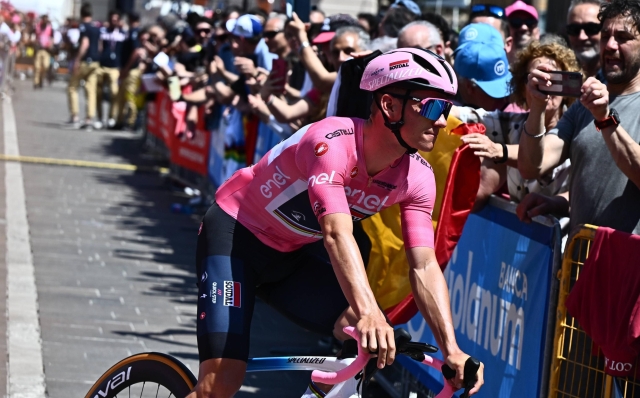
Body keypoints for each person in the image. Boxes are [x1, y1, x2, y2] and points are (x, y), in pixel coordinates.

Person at [187, 47, 484, 398]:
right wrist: (369, 310)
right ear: (389, 106)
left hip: (291, 257)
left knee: (369, 339)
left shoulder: (418, 176)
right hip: (235, 240)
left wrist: (451, 348)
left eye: (446, 108)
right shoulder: (331, 143)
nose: (440, 120)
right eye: (432, 107)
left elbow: (423, 264)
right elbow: (335, 233)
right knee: (219, 384)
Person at [519, 0, 640, 234]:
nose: (611, 46)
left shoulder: (597, 108)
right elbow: (531, 166)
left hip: (630, 266)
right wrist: (537, 107)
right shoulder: (584, 104)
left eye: (623, 38)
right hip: (579, 264)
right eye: (605, 36)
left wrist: (605, 119)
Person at [454, 40, 580, 209]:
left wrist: (499, 150)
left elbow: (587, 192)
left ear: (566, 87)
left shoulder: (580, 130)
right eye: (537, 79)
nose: (545, 85)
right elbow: (465, 116)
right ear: (522, 88)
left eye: (554, 78)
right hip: (520, 232)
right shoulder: (509, 125)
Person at [67, 3, 102, 130]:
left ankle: (75, 116)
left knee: (72, 87)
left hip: (84, 61)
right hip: (95, 62)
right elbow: (99, 46)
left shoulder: (83, 27)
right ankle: (89, 119)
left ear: (81, 14)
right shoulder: (97, 28)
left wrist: (77, 60)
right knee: (91, 90)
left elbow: (84, 43)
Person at [98, 10, 126, 129]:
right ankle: (99, 118)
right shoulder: (103, 32)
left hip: (115, 67)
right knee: (98, 93)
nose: (114, 21)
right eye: (112, 19)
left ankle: (111, 117)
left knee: (114, 93)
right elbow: (99, 46)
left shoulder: (123, 34)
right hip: (102, 65)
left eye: (116, 19)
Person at [566, 0, 604, 79]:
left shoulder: (622, 79)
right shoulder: (559, 73)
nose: (582, 37)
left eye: (591, 28)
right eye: (574, 29)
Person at [33, 14, 53, 89]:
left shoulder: (50, 28)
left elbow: (52, 38)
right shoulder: (38, 27)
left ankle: (41, 79)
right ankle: (36, 82)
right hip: (39, 49)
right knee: (37, 67)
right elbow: (34, 35)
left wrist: (50, 45)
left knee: (45, 66)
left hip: (46, 50)